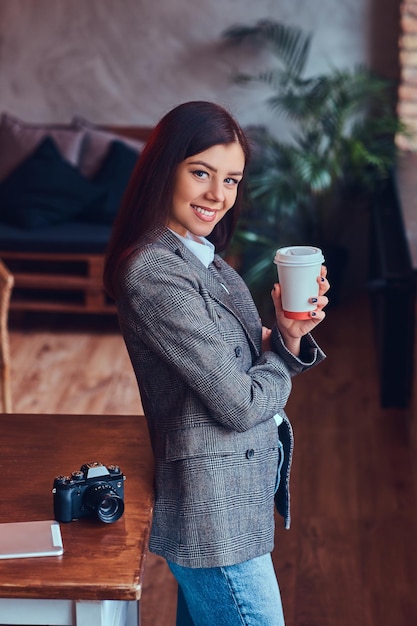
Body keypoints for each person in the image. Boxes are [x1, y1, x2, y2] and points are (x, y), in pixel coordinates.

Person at [103, 101, 329, 626]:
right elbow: (238, 401)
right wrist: (280, 353)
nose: (217, 195)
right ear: (166, 169)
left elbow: (238, 355)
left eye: (231, 180)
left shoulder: (200, 255)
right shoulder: (154, 271)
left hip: (233, 496)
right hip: (213, 511)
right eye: (201, 173)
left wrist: (288, 333)